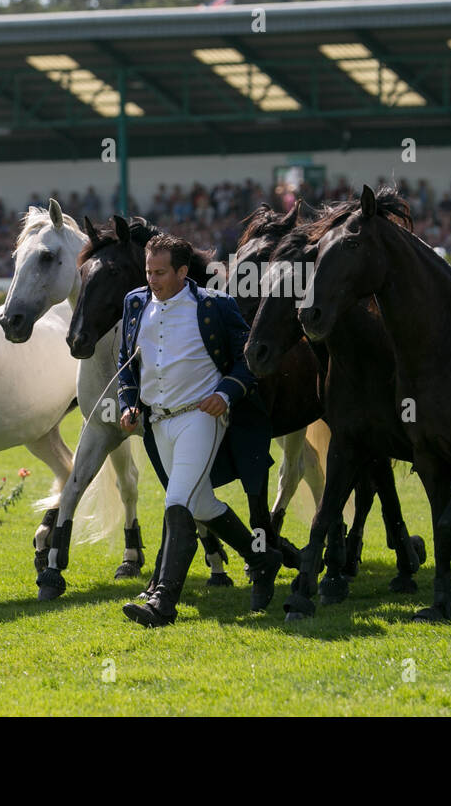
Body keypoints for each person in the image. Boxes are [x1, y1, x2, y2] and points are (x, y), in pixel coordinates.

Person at [116, 233, 281, 627]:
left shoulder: (215, 306)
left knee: (177, 503)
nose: (152, 280)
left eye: (160, 272)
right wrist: (128, 403)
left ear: (183, 272)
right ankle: (262, 558)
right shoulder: (135, 303)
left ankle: (162, 601)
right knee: (202, 504)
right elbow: (126, 358)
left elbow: (247, 360)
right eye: (148, 271)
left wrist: (226, 393)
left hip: (201, 418)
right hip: (158, 422)